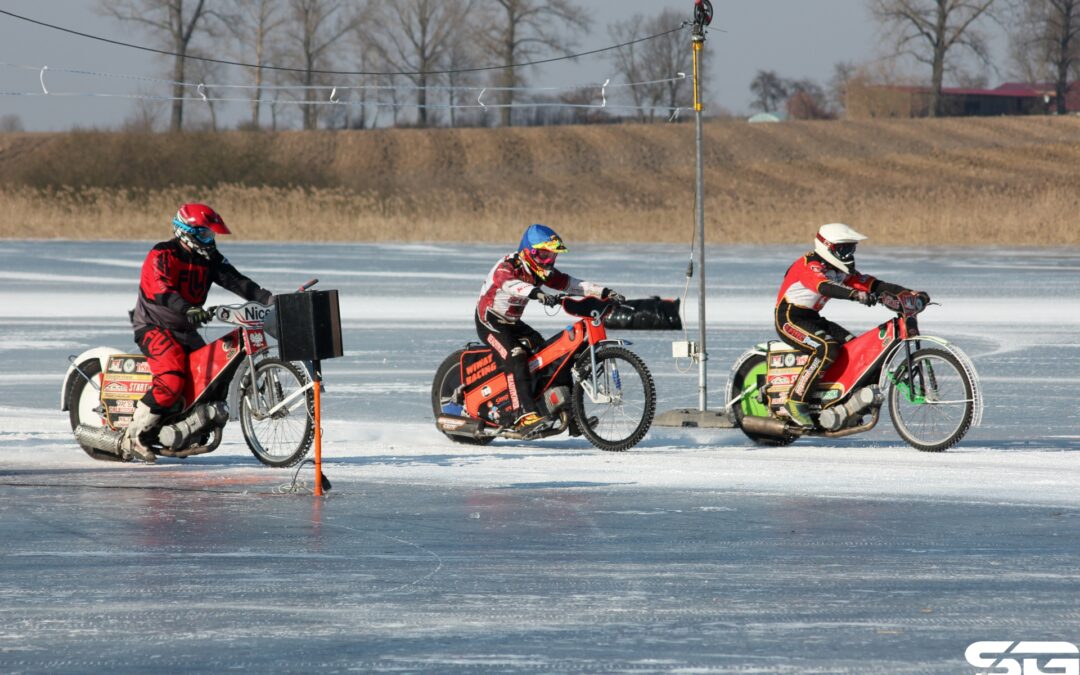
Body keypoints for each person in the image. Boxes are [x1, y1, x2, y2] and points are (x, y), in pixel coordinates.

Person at [125, 203, 274, 463]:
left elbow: (236, 280)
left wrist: (269, 300)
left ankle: (185, 426)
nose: (210, 240)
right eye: (204, 234)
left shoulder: (209, 257)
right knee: (171, 379)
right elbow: (161, 290)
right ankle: (135, 436)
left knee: (210, 379)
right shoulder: (162, 254)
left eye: (211, 235)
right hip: (155, 326)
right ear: (186, 232)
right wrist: (188, 309)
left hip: (186, 327)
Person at [775, 223, 929, 428]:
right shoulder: (810, 264)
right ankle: (796, 400)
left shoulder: (839, 271)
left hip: (812, 317)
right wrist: (853, 294)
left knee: (856, 349)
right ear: (828, 247)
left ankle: (836, 398)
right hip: (790, 318)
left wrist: (909, 294)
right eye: (844, 249)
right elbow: (824, 286)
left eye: (851, 248)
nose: (848, 254)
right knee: (826, 347)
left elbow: (873, 284)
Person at [476, 224, 625, 432]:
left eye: (552, 256)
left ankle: (571, 417)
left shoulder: (540, 270)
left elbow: (570, 284)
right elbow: (509, 284)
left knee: (547, 355)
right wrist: (537, 294)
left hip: (512, 323)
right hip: (490, 322)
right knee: (516, 355)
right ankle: (523, 414)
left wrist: (604, 292)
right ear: (530, 252)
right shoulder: (508, 265)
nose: (549, 262)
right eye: (544, 255)